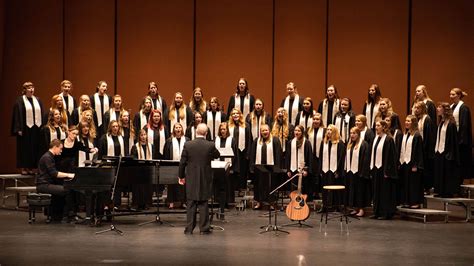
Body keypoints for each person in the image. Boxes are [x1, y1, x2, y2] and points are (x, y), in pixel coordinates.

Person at [178, 123, 220, 234]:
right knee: (203, 202)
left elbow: (182, 163)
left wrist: (181, 176)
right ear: (206, 133)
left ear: (196, 132)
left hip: (191, 177)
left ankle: (189, 229)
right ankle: (204, 228)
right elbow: (217, 155)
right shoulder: (210, 145)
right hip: (205, 177)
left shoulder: (188, 144)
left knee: (191, 202)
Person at [36, 139, 75, 222]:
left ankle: (58, 215)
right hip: (43, 185)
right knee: (67, 190)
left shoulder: (50, 157)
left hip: (46, 184)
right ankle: (65, 216)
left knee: (64, 189)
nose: (61, 151)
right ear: (55, 147)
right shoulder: (47, 157)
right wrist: (69, 175)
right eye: (60, 149)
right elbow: (54, 173)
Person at [11, 81, 45, 175]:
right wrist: (18, 128)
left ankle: (31, 168)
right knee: (24, 148)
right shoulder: (20, 100)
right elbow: (17, 115)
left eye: (32, 87)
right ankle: (24, 168)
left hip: (36, 128)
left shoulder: (37, 100)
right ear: (24, 90)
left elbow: (42, 113)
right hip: (25, 129)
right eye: (29, 88)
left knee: (34, 147)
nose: (31, 89)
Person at [249, 124, 282, 210]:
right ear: (260, 132)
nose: (265, 132)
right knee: (258, 185)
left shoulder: (275, 140)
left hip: (271, 168)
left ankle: (271, 203)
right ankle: (259, 202)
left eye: (266, 130)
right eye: (263, 130)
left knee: (271, 185)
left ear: (269, 130)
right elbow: (252, 154)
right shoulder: (257, 140)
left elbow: (278, 154)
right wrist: (252, 166)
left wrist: (277, 167)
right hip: (259, 167)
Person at [370, 120, 398, 220]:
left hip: (385, 170)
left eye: (378, 125)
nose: (376, 127)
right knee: (377, 191)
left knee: (385, 192)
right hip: (376, 169)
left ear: (383, 127)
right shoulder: (375, 138)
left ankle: (385, 213)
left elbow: (392, 157)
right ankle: (377, 212)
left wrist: (388, 171)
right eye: (375, 125)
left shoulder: (389, 139)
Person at [433, 102, 460, 198]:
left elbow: (453, 142)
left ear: (445, 110)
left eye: (439, 107)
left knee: (447, 172)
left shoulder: (451, 124)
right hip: (439, 151)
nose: (437, 109)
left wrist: (450, 154)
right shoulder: (441, 122)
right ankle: (441, 190)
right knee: (440, 171)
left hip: (447, 152)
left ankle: (447, 191)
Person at [399, 115, 424, 209]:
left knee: (414, 184)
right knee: (406, 183)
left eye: (409, 121)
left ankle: (415, 202)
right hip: (405, 162)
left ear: (413, 123)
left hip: (413, 164)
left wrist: (415, 164)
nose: (406, 122)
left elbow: (418, 152)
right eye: (406, 121)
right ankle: (407, 201)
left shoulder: (417, 135)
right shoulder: (406, 134)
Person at [344, 127, 370, 217]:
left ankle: (361, 209)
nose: (352, 135)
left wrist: (363, 172)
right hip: (350, 171)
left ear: (358, 134)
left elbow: (366, 159)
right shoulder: (350, 144)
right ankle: (355, 208)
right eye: (351, 133)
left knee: (359, 191)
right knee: (352, 191)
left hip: (359, 172)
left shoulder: (363, 144)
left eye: (354, 133)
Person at [214, 122, 239, 213]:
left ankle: (227, 202)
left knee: (228, 184)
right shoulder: (215, 139)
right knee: (218, 184)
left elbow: (235, 154)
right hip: (218, 166)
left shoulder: (232, 140)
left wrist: (234, 168)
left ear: (227, 130)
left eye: (224, 129)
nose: (223, 131)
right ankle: (219, 202)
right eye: (221, 129)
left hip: (228, 166)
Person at [319, 125, 345, 207]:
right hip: (325, 169)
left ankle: (335, 206)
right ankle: (325, 205)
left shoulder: (340, 143)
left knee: (335, 188)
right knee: (325, 189)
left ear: (335, 131)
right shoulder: (324, 142)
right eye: (328, 130)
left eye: (331, 130)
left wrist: (338, 171)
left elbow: (341, 158)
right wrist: (320, 169)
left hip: (335, 170)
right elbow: (320, 157)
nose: (329, 131)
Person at [164, 123, 189, 209]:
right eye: (176, 127)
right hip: (172, 165)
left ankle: (183, 202)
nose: (178, 129)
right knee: (172, 184)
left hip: (184, 165)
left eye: (179, 127)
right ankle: (171, 201)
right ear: (173, 130)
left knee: (183, 184)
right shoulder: (169, 141)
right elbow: (166, 154)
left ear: (182, 129)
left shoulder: (187, 140)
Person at [285, 125, 313, 201]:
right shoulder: (291, 142)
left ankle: (303, 205)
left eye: (299, 131)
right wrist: (288, 169)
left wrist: (307, 170)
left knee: (303, 189)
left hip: (303, 170)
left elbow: (310, 157)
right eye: (295, 130)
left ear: (302, 132)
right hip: (293, 169)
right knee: (294, 188)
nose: (296, 132)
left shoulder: (306, 142)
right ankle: (294, 203)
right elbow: (288, 157)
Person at [413, 101, 436, 194]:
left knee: (426, 170)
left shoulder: (427, 119)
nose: (416, 110)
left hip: (425, 150)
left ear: (422, 109)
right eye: (415, 108)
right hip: (419, 149)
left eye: (418, 108)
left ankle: (427, 187)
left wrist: (424, 149)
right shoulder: (417, 119)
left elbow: (429, 137)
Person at [130, 129, 156, 210]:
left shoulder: (151, 146)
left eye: (145, 135)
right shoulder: (135, 147)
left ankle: (146, 203)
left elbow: (154, 158)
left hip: (148, 170)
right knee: (138, 188)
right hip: (138, 171)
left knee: (147, 187)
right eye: (141, 135)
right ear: (139, 137)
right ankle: (137, 204)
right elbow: (133, 159)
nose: (143, 137)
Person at [450, 88, 472, 181]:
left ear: (459, 95)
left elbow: (464, 125)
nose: (451, 96)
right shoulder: (451, 107)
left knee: (461, 161)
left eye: (453, 94)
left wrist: (461, 140)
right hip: (453, 138)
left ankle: (460, 179)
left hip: (460, 139)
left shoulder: (463, 108)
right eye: (450, 94)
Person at [228, 108, 252, 192]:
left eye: (237, 113)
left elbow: (249, 139)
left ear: (240, 115)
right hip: (231, 152)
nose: (235, 115)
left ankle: (242, 188)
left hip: (243, 151)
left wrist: (248, 153)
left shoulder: (246, 125)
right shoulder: (228, 126)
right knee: (233, 170)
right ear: (231, 116)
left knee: (242, 171)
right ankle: (233, 188)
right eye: (233, 114)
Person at [307, 113, 326, 202]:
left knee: (319, 174)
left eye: (317, 119)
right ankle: (312, 193)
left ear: (320, 121)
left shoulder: (324, 131)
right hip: (311, 156)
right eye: (314, 119)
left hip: (321, 156)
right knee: (312, 174)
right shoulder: (308, 130)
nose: (315, 121)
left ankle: (319, 192)